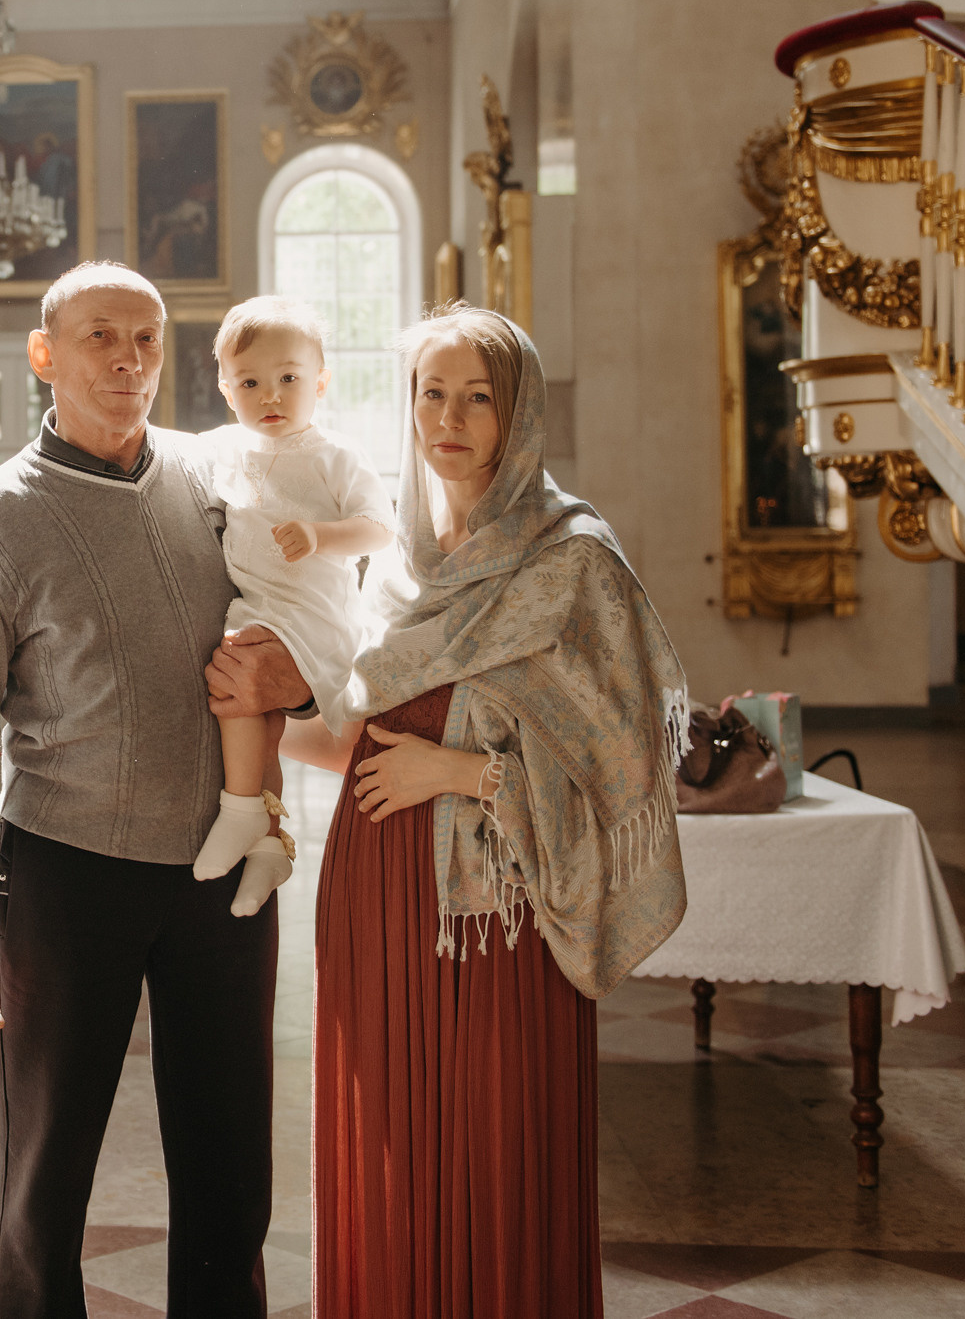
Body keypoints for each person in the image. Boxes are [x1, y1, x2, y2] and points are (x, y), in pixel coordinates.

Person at [0, 262, 311, 1318]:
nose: (130, 359)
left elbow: (312, 615)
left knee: (231, 1178)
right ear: (44, 354)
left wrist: (303, 675)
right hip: (64, 872)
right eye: (101, 337)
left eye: (146, 337)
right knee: (43, 1188)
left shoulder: (219, 482)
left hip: (220, 878)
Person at [282, 304, 688, 1317]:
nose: (449, 419)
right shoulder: (399, 561)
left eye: (479, 398)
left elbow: (626, 757)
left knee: (499, 1142)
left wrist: (465, 777)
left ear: (521, 415)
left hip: (502, 915)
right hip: (375, 894)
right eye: (431, 392)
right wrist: (245, 704)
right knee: (392, 1150)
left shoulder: (574, 559)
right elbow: (364, 735)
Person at [189, 297, 394, 917]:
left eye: (289, 379)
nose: (270, 396)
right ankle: (269, 844)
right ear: (227, 390)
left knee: (239, 674)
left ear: (321, 383)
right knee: (243, 692)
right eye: (249, 382)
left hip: (315, 613)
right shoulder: (222, 449)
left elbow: (380, 528)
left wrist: (321, 536)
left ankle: (242, 810)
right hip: (256, 606)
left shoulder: (334, 455)